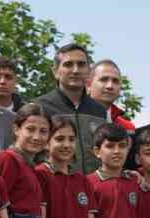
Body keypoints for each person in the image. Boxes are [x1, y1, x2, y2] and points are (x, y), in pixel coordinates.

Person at [36, 44, 107, 174]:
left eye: (81, 64)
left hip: (94, 188)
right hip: (53, 185)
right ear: (55, 71)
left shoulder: (100, 111)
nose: (75, 70)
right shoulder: (40, 107)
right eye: (68, 64)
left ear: (89, 71)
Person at [89, 60, 135, 131]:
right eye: (104, 79)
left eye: (115, 81)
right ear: (88, 85)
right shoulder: (74, 117)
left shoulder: (127, 127)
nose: (110, 86)